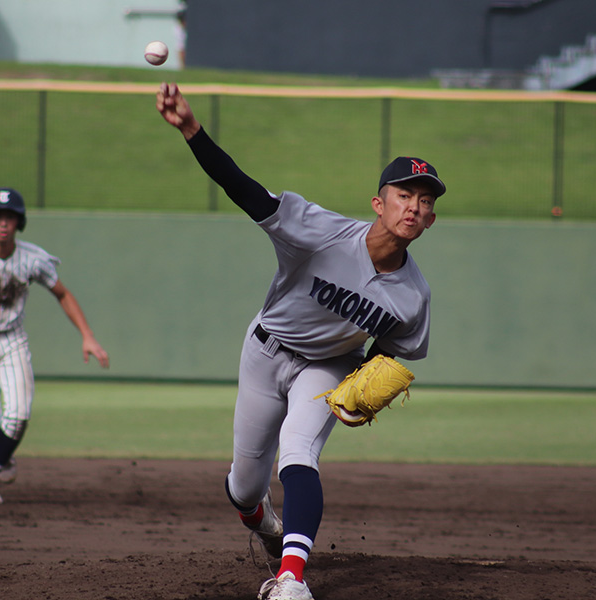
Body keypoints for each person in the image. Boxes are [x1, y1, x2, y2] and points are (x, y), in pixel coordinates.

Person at [156, 83, 445, 600]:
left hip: (329, 366)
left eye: (424, 202)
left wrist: (364, 380)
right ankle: (262, 521)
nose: (413, 207)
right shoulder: (321, 232)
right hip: (266, 351)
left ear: (430, 219)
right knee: (245, 487)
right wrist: (192, 130)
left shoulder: (414, 296)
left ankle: (291, 578)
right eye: (404, 196)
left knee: (298, 452)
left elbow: (392, 350)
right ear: (379, 204)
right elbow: (245, 191)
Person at [0, 188, 109, 505]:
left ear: (19, 222)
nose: (4, 223)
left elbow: (62, 294)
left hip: (12, 340)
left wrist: (87, 335)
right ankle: (2, 455)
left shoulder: (33, 258)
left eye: (10, 217)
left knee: (17, 415)